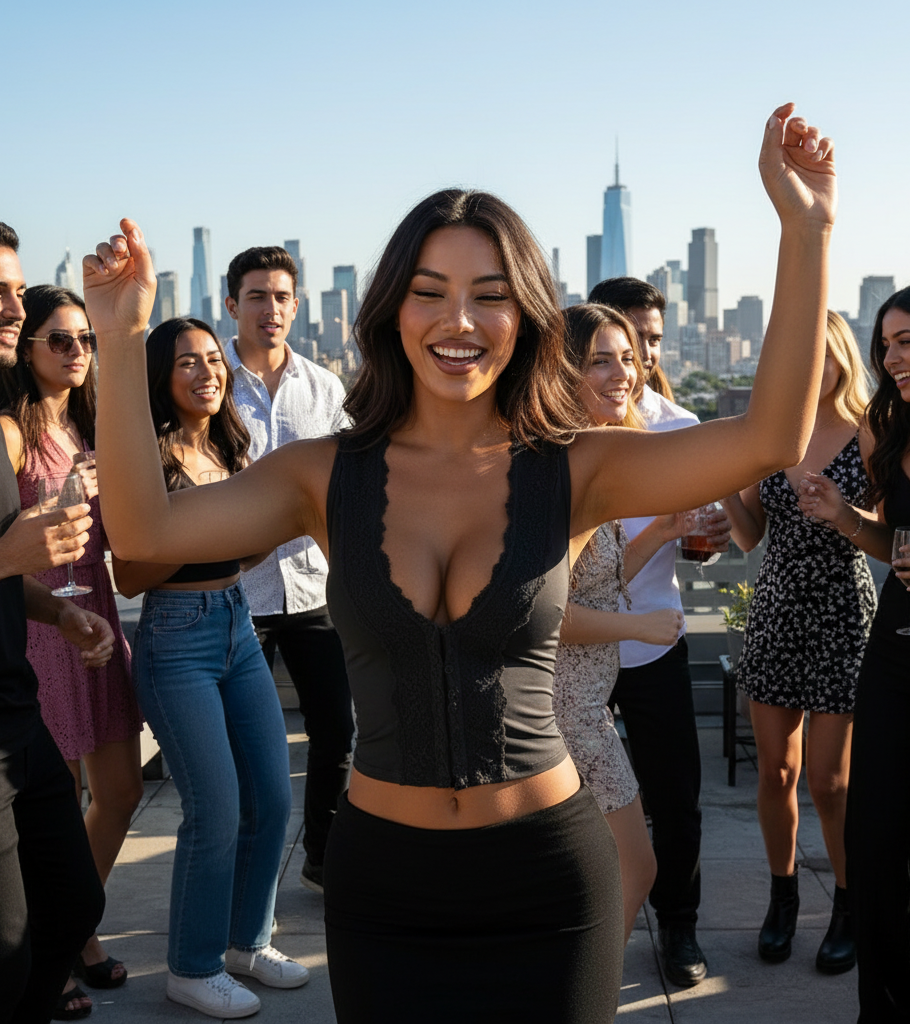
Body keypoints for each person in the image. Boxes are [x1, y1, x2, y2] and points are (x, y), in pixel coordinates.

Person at [87, 102, 836, 1023]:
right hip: (382, 882)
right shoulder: (322, 477)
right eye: (430, 290)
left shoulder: (576, 466)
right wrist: (120, 340)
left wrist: (807, 229)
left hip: (549, 877)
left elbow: (770, 436)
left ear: (523, 316)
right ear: (391, 307)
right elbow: (144, 536)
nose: (459, 319)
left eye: (489, 293)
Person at [110, 317, 307, 1016]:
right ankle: (190, 967)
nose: (206, 372)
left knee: (274, 799)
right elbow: (131, 574)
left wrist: (268, 526)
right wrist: (192, 516)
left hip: (237, 626)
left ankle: (245, 943)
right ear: (162, 377)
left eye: (212, 359)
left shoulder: (230, 445)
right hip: (176, 637)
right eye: (187, 362)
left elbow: (236, 552)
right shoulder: (149, 459)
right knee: (214, 811)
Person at [0, 216, 112, 1022]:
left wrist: (55, 612)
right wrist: (12, 558)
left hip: (17, 712)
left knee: (73, 908)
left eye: (17, 291)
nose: (14, 308)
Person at [797, 280, 910, 1023]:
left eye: (906, 342)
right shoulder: (885, 427)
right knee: (874, 844)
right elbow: (895, 544)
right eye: (884, 344)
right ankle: (887, 1011)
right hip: (896, 654)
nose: (889, 359)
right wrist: (846, 519)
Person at [0, 284, 144, 1012]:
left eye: (85, 338)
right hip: (40, 624)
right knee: (52, 803)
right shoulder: (10, 431)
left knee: (120, 792)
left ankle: (75, 926)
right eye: (61, 339)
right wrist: (57, 508)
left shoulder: (88, 422)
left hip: (98, 613)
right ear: (26, 350)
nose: (78, 351)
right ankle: (55, 952)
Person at [586, 275, 728, 986]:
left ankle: (679, 928)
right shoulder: (552, 432)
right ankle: (578, 929)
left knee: (675, 798)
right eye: (617, 345)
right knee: (570, 801)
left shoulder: (678, 428)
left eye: (647, 343)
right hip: (572, 654)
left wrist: (707, 538)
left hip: (653, 645)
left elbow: (701, 543)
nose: (635, 358)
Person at [723, 311, 875, 973]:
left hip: (842, 609)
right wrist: (728, 483)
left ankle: (848, 903)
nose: (816, 367)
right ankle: (782, 898)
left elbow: (892, 532)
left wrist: (846, 514)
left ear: (841, 355)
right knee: (777, 772)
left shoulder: (873, 432)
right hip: (778, 610)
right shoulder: (775, 437)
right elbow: (751, 536)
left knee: (830, 782)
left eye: (825, 354)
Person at [222, 246, 354, 894]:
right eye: (256, 296)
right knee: (243, 750)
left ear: (296, 306)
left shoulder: (324, 387)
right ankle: (245, 871)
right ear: (232, 305)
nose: (270, 309)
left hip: (312, 589)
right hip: (236, 593)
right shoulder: (208, 380)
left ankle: (322, 857)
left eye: (280, 297)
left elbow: (349, 481)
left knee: (337, 730)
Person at [553, 302, 684, 945]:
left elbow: (594, 580)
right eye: (599, 360)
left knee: (611, 872)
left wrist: (662, 530)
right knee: (631, 868)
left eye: (629, 358)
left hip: (586, 708)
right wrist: (639, 629)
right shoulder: (562, 474)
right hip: (560, 715)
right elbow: (540, 615)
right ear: (559, 374)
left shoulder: (588, 460)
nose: (623, 374)